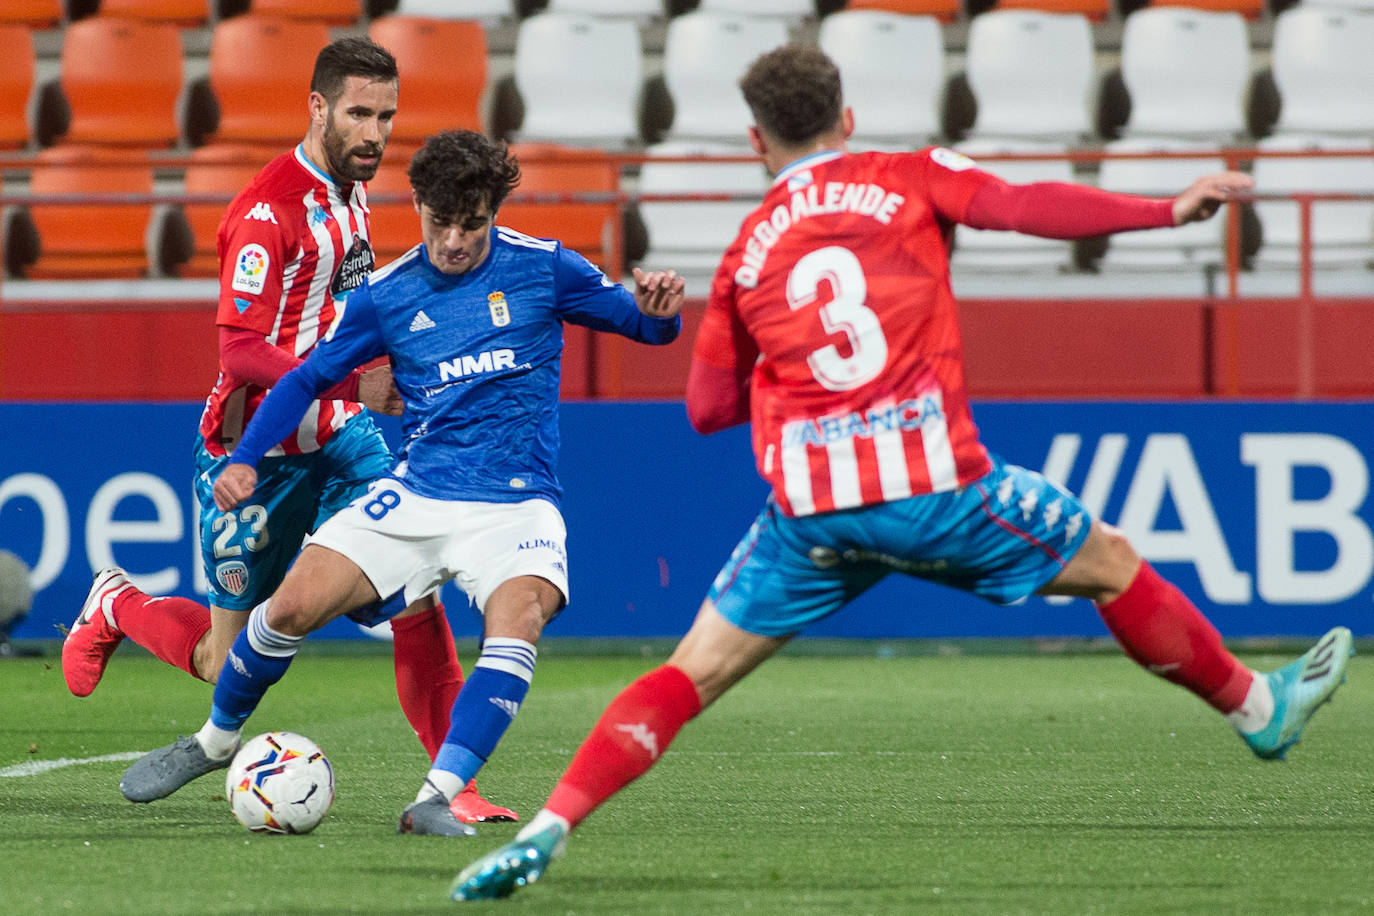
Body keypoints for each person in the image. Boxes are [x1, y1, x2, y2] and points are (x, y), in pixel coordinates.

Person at [451, 44, 1355, 900]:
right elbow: (1023, 206)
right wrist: (1166, 210)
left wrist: (786, 369)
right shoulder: (909, 176)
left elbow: (708, 409)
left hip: (810, 516)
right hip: (933, 488)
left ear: (757, 140)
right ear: (846, 119)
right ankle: (1255, 710)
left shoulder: (747, 251)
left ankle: (548, 828)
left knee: (691, 674)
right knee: (1111, 562)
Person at [118, 129, 688, 837]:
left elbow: (643, 327)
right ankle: (213, 742)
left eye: (472, 223)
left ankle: (437, 796)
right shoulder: (387, 295)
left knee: (518, 623)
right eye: (441, 221)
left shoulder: (545, 268)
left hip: (515, 504)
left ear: (493, 211)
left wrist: (659, 316)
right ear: (417, 205)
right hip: (416, 495)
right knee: (287, 609)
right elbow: (305, 379)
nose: (454, 241)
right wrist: (247, 456)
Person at [59, 37, 512, 822]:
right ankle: (117, 604)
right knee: (221, 659)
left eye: (386, 116)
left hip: (341, 438)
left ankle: (454, 790)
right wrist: (355, 381)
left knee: (415, 593)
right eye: (359, 114)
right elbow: (240, 351)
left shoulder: (352, 193)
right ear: (316, 107)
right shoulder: (266, 214)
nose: (374, 133)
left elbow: (340, 315)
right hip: (255, 454)